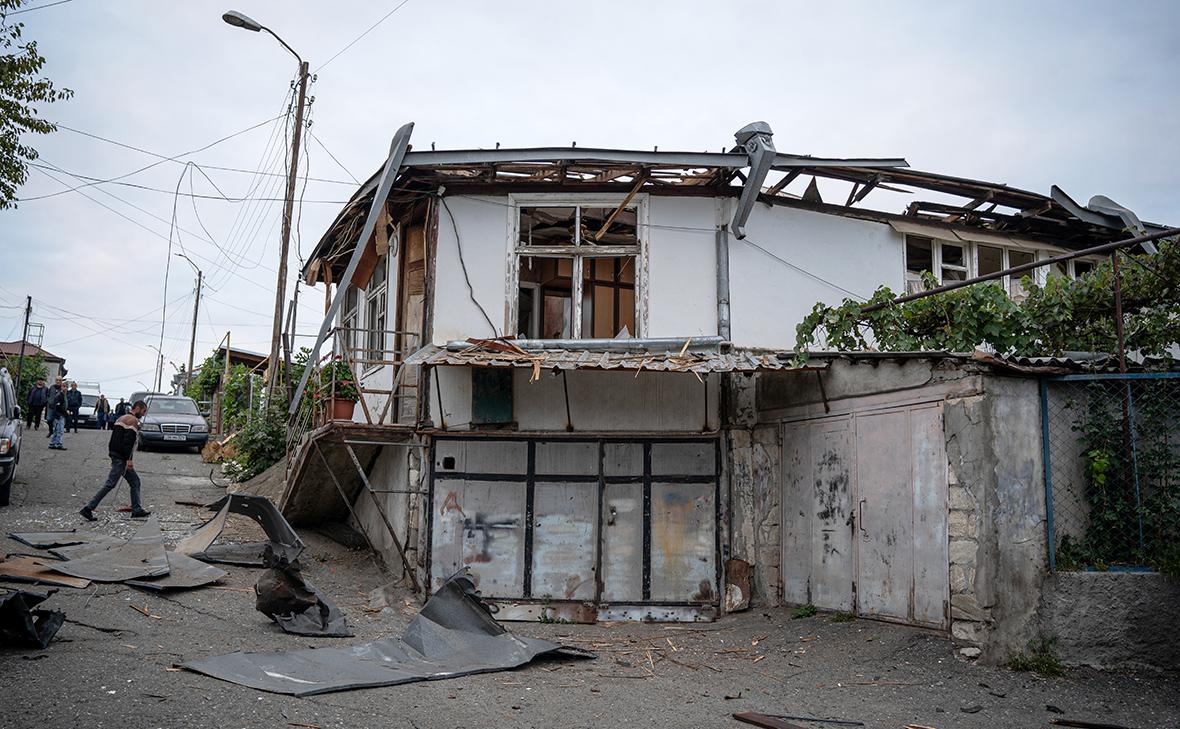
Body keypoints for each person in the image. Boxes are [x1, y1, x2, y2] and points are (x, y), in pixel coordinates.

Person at [80, 399, 150, 520]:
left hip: (116, 455)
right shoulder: (132, 421)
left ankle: (137, 509)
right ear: (137, 408)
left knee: (135, 481)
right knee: (110, 484)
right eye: (143, 411)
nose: (144, 414)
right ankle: (88, 508)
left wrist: (114, 455)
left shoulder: (121, 418)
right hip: (121, 458)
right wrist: (129, 460)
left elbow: (115, 440)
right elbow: (127, 443)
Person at [47, 377, 68, 450]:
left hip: (60, 415)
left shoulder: (64, 395)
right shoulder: (59, 395)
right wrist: (63, 413)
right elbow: (57, 406)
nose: (65, 388)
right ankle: (58, 443)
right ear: (61, 387)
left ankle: (52, 443)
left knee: (57, 430)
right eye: (64, 387)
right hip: (59, 415)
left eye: (66, 387)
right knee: (60, 430)